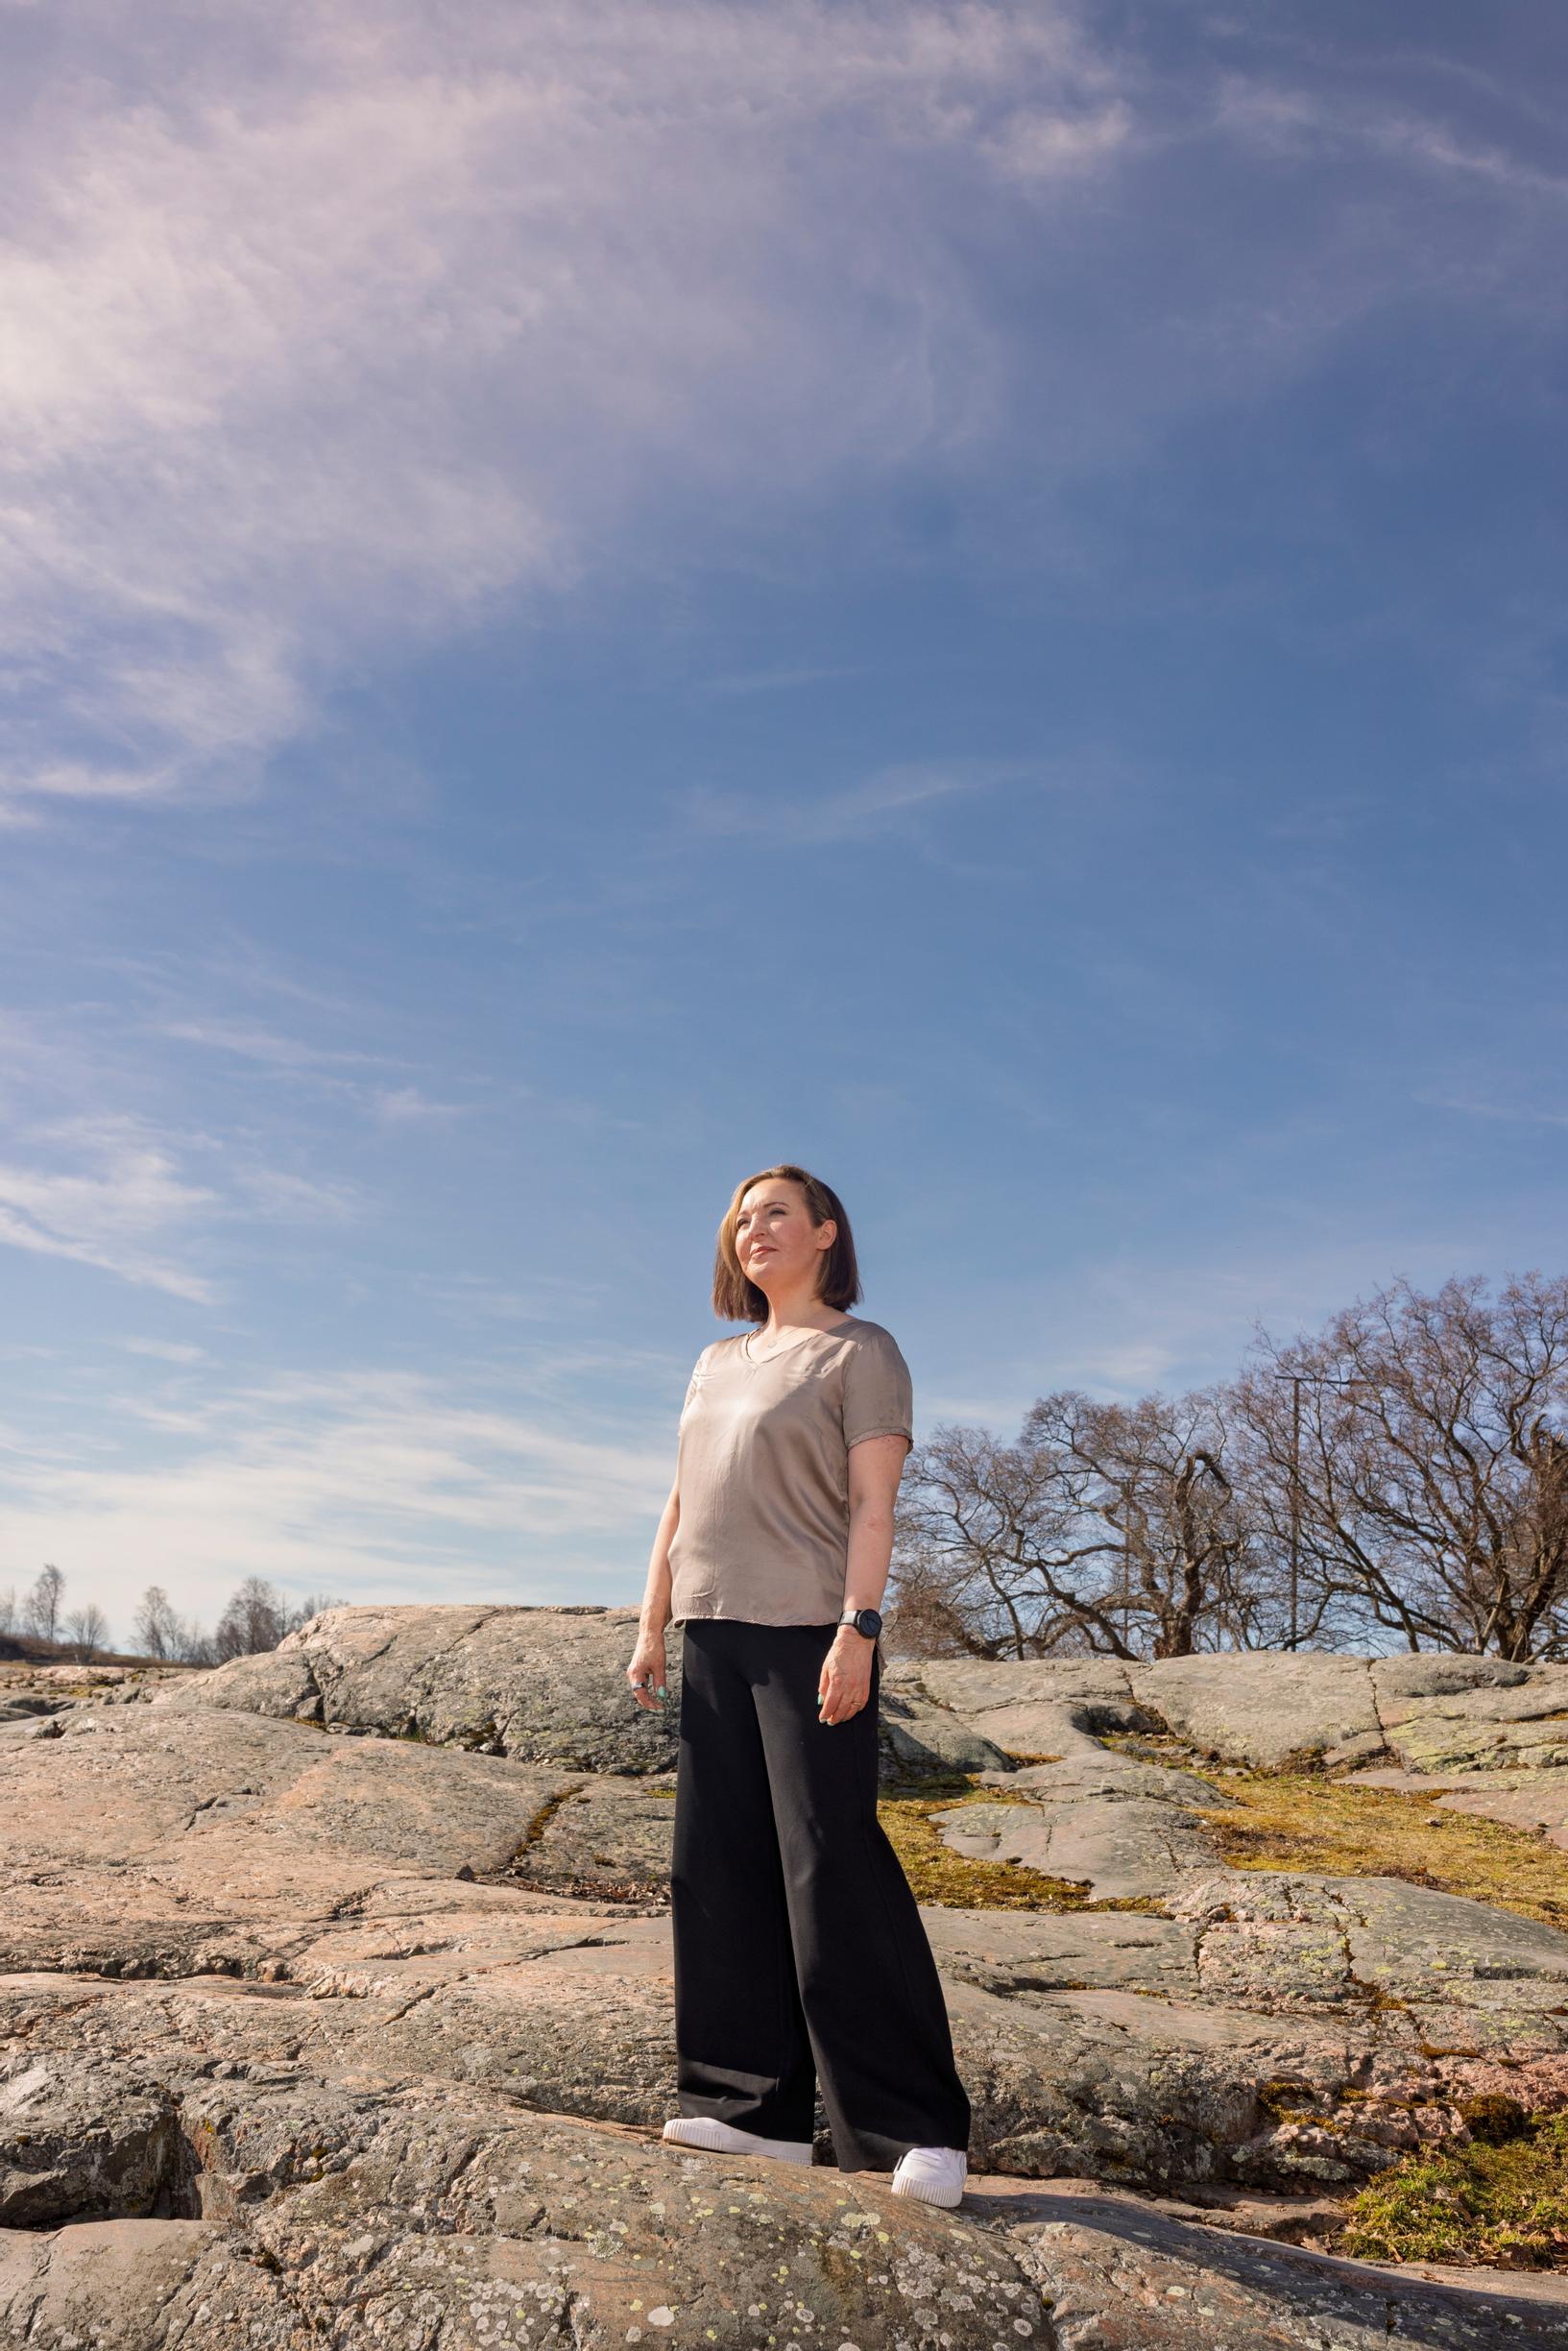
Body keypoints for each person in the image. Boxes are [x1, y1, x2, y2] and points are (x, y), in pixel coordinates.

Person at [626, 1162, 972, 2209]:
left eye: (774, 1212)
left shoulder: (860, 1353)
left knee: (830, 1865)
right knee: (718, 1868)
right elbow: (680, 1501)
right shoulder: (716, 1359)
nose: (753, 1229)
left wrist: (858, 1628)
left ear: (826, 1232)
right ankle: (749, 2111)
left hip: (807, 1632)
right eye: (740, 1218)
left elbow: (875, 1508)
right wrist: (651, 1626)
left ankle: (914, 2129)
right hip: (709, 1632)